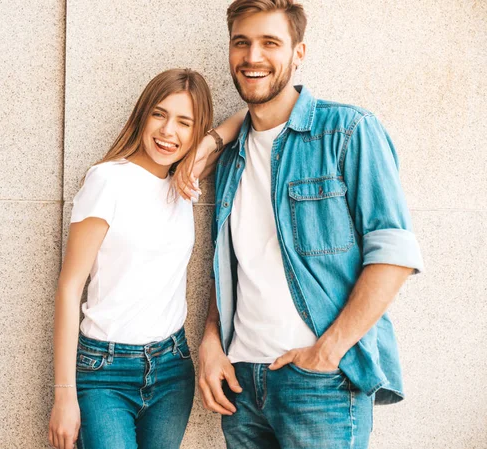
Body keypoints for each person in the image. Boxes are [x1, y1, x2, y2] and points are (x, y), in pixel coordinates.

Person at [175, 1, 424, 448]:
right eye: (242, 43)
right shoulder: (231, 157)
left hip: (321, 384)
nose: (253, 57)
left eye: (270, 43)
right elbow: (228, 263)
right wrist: (211, 342)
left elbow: (393, 255)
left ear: (298, 53)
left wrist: (327, 353)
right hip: (241, 385)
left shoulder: (348, 131)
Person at [47, 68, 244, 449]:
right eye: (159, 114)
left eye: (184, 122)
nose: (169, 131)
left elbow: (244, 118)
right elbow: (70, 288)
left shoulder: (184, 182)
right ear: (142, 115)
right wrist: (64, 395)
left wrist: (203, 148)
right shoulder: (107, 180)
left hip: (172, 368)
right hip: (105, 371)